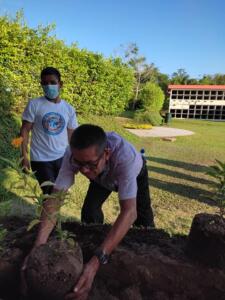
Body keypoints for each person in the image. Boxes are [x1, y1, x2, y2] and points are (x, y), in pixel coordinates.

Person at [24, 124, 154, 300]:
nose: (83, 171)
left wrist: (95, 262)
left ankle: (146, 255)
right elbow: (55, 199)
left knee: (144, 219)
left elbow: (129, 212)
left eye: (89, 164)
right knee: (90, 210)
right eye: (79, 164)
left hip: (132, 174)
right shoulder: (74, 155)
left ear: (106, 153)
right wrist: (38, 245)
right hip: (101, 176)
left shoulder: (126, 159)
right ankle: (99, 241)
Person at [20, 67, 78, 194]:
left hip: (63, 158)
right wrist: (24, 156)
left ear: (60, 84)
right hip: (41, 159)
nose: (48, 86)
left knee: (61, 194)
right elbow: (24, 131)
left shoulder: (69, 109)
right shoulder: (34, 104)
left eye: (52, 82)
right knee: (50, 195)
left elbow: (72, 135)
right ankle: (48, 213)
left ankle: (50, 214)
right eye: (45, 83)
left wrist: (76, 158)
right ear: (41, 84)